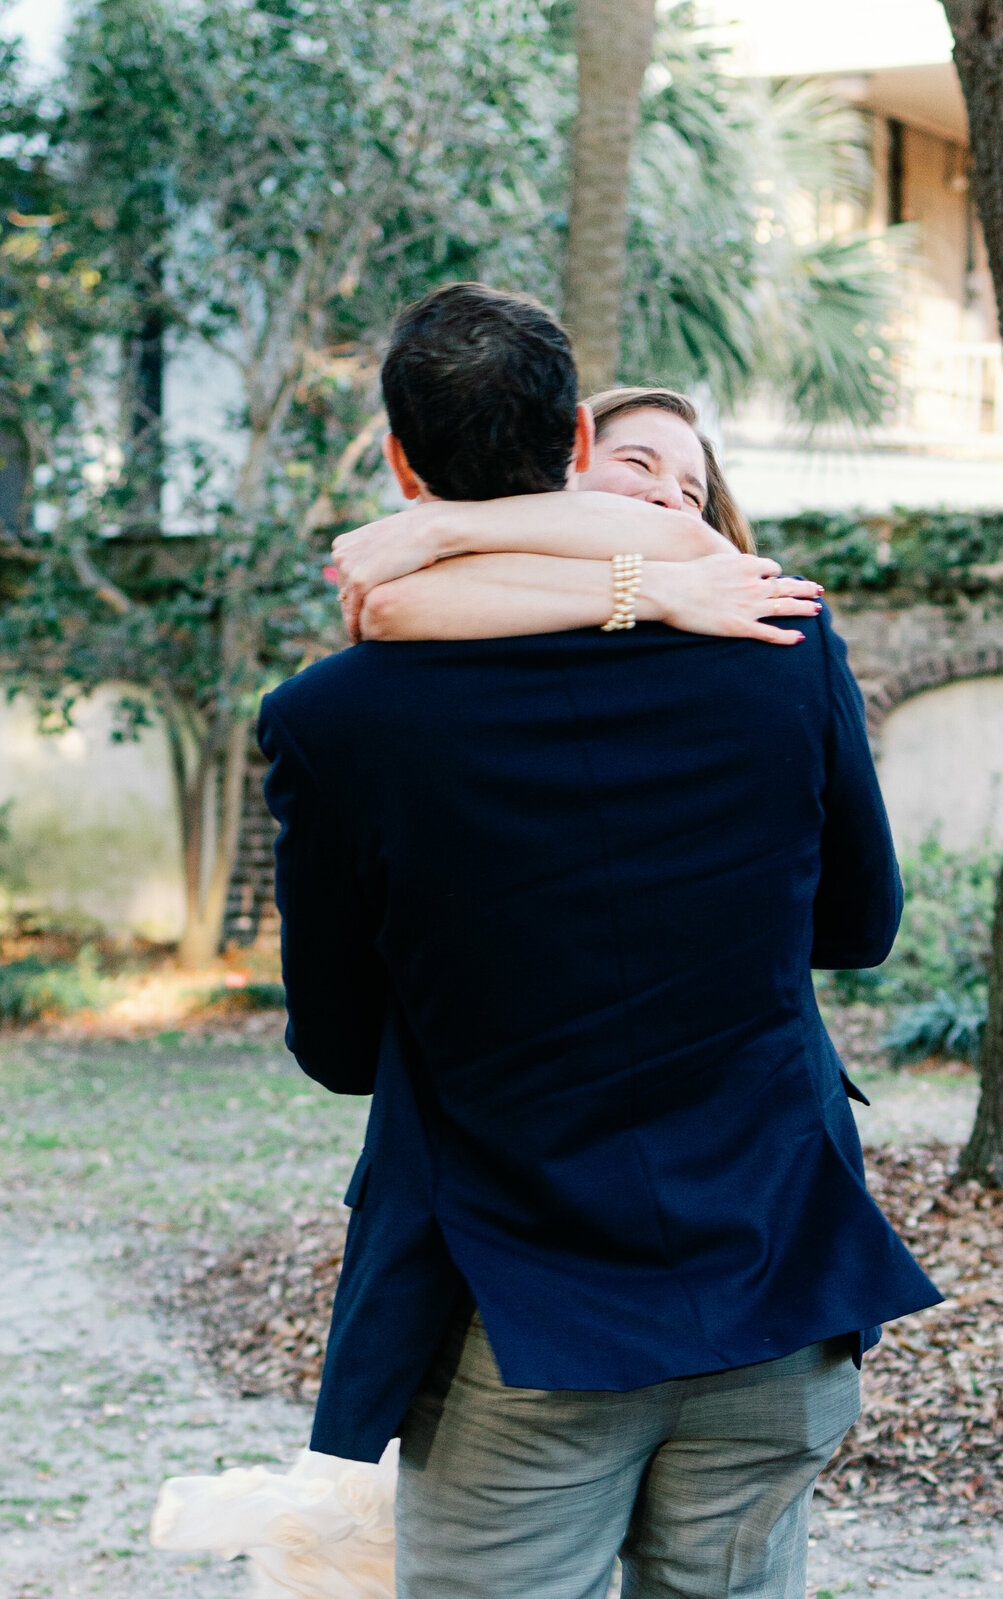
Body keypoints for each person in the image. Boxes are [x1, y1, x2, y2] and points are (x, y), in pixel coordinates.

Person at [258, 282, 941, 1599]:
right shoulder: (778, 635)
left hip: (524, 1307)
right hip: (770, 1270)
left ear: (403, 463)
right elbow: (859, 923)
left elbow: (341, 1045)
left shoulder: (333, 720)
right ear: (579, 444)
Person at [331, 383, 818, 649]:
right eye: (637, 462)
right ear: (572, 459)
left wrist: (441, 525)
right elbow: (388, 610)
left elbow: (706, 549)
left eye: (694, 496)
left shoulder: (756, 611)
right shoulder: (473, 596)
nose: (670, 497)